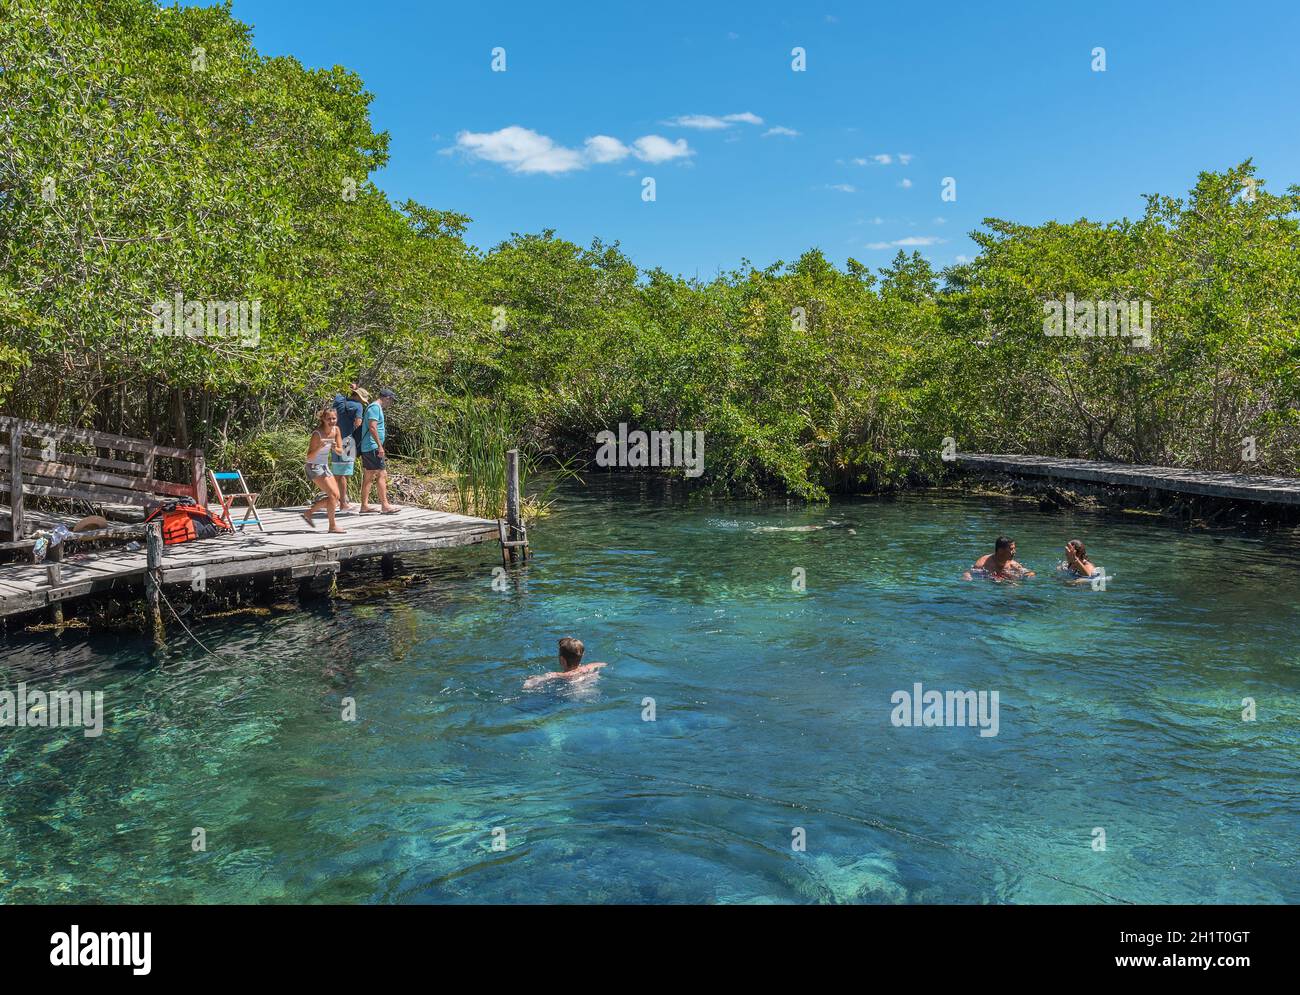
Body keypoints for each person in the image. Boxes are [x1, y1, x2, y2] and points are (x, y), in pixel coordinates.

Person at [302, 407, 347, 533]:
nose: (332, 421)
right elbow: (309, 456)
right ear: (323, 419)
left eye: (334, 418)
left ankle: (309, 513)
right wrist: (319, 447)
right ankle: (332, 526)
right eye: (329, 419)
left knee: (336, 496)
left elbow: (340, 450)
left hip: (324, 466)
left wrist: (334, 448)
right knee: (333, 495)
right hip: (313, 467)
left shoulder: (336, 430)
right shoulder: (317, 434)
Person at [358, 387, 400, 515]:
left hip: (370, 446)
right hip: (372, 446)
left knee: (369, 476)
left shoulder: (375, 408)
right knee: (382, 474)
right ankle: (385, 505)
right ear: (387, 398)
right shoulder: (375, 408)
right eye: (391, 401)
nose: (391, 403)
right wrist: (379, 446)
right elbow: (372, 427)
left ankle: (364, 506)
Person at [330, 385, 368, 510]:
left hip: (334, 439)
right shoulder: (358, 406)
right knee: (344, 473)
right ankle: (343, 503)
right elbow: (358, 423)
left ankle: (334, 500)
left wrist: (353, 387)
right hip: (347, 441)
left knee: (336, 471)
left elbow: (339, 390)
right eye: (362, 399)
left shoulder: (339, 401)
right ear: (357, 397)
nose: (362, 402)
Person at [523, 637, 608, 689]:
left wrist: (531, 679)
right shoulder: (590, 667)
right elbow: (604, 664)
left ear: (562, 660)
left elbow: (528, 685)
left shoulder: (557, 675)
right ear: (582, 656)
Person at [963, 535, 1034, 581]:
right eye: (1011, 549)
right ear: (1000, 550)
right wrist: (968, 578)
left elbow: (1029, 573)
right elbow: (969, 572)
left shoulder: (1013, 564)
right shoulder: (984, 563)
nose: (1014, 552)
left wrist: (1029, 575)